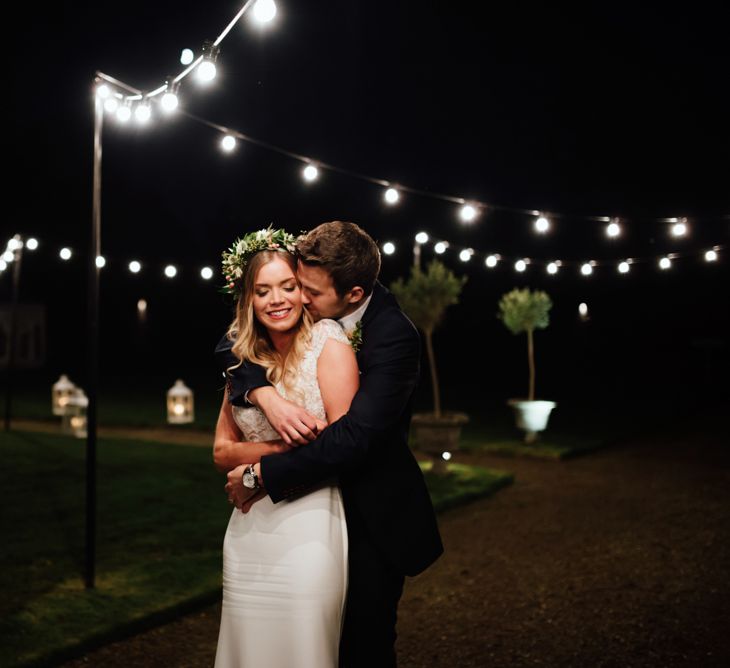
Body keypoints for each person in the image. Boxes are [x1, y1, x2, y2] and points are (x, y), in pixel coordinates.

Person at [216, 221, 443, 668]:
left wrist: (261, 472)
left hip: (370, 512)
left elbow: (354, 438)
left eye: (308, 292)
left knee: (363, 643)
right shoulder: (302, 313)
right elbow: (230, 345)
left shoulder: (394, 336)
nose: (297, 298)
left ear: (354, 295)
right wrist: (265, 395)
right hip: (299, 508)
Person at [212, 227, 360, 667]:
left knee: (303, 647)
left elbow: (341, 446)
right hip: (248, 526)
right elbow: (221, 451)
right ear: (249, 301)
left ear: (303, 291)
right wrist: (282, 449)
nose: (277, 300)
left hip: (309, 524)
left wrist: (257, 468)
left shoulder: (328, 345)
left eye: (288, 286)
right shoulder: (242, 363)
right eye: (263, 291)